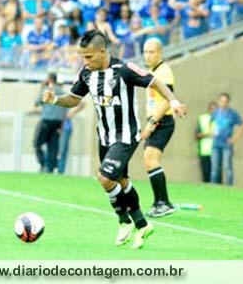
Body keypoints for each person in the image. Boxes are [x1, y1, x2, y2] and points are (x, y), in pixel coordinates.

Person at [42, 30, 187, 249]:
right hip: (104, 137)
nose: (85, 61)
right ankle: (142, 225)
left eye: (89, 56)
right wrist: (55, 100)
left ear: (102, 51)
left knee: (104, 177)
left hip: (126, 135)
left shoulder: (124, 69)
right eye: (83, 57)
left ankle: (123, 220)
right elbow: (73, 98)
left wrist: (173, 101)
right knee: (121, 181)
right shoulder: (86, 73)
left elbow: (155, 82)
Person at [142, 38, 180, 217]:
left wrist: (152, 122)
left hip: (162, 121)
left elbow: (167, 99)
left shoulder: (164, 72)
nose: (147, 56)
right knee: (149, 160)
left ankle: (163, 202)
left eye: (151, 52)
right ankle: (159, 202)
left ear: (160, 53)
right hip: (156, 119)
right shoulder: (152, 71)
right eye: (145, 52)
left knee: (152, 159)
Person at [34, 72, 67, 173]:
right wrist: (61, 126)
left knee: (37, 143)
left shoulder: (46, 90)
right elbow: (65, 111)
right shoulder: (62, 92)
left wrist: (41, 88)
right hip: (58, 123)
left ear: (49, 79)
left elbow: (37, 103)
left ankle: (43, 163)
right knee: (53, 146)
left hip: (46, 121)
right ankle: (50, 169)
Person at [210, 93, 243, 186]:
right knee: (215, 167)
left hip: (226, 144)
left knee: (227, 167)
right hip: (216, 143)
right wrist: (211, 131)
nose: (223, 103)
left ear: (228, 102)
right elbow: (210, 122)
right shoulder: (215, 112)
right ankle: (213, 186)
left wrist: (234, 139)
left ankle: (229, 186)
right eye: (221, 101)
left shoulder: (232, 114)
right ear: (219, 101)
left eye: (225, 101)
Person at [57, 101, 85, 174]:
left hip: (65, 127)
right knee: (53, 149)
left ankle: (60, 171)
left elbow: (82, 103)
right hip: (54, 126)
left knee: (62, 150)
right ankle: (49, 168)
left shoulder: (64, 97)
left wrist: (72, 113)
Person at [196, 102, 217, 183]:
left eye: (215, 109)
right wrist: (208, 134)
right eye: (212, 109)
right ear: (208, 109)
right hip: (205, 150)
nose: (213, 111)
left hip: (218, 150)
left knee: (217, 174)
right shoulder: (203, 118)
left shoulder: (220, 119)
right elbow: (197, 134)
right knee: (206, 173)